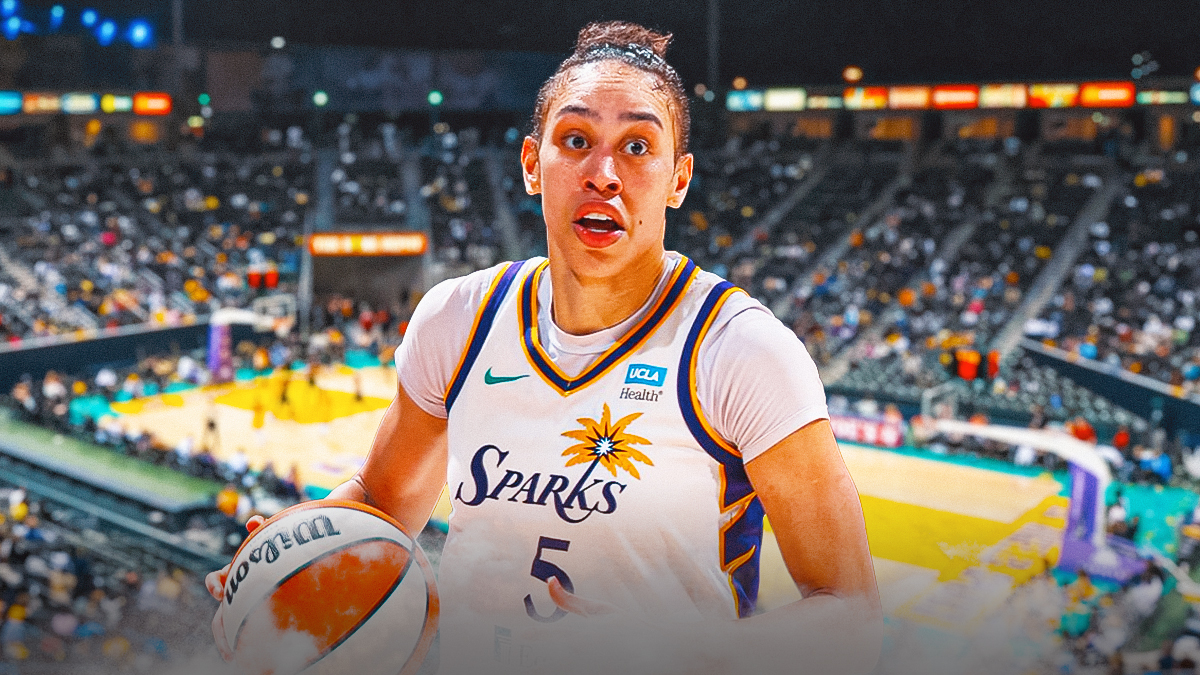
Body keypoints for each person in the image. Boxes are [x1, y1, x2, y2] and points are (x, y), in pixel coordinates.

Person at [207, 21, 880, 675]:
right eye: (576, 139)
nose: (605, 173)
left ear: (679, 178)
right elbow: (383, 503)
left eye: (639, 147)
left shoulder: (742, 351)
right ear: (533, 163)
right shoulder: (458, 319)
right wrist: (285, 558)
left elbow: (850, 614)